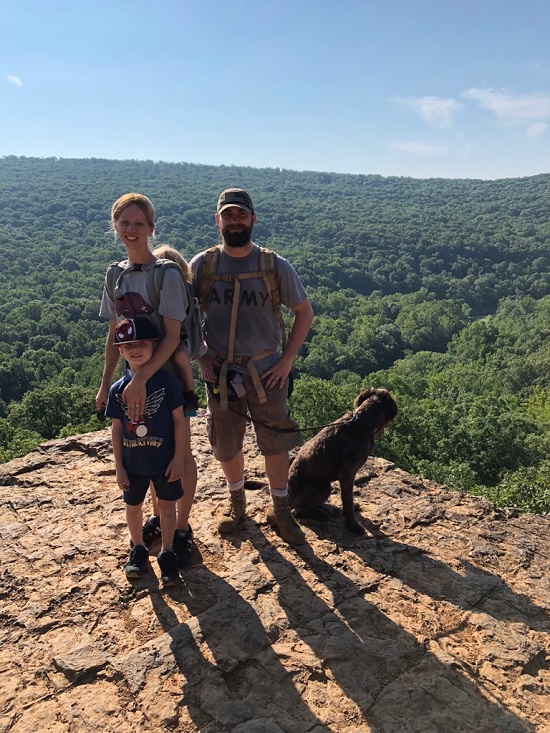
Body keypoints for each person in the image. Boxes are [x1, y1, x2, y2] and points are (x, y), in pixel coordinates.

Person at [190, 188, 314, 545]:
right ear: (218, 220)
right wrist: (201, 355)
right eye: (228, 215)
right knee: (226, 442)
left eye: (241, 215)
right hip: (221, 372)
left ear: (253, 219)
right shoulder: (203, 266)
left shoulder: (274, 266)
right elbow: (185, 316)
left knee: (276, 442)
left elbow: (304, 312)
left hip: (267, 370)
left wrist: (286, 361)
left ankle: (280, 508)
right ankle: (237, 501)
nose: (234, 221)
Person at [95, 193, 196, 567]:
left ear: (151, 228)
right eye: (124, 222)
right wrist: (107, 383)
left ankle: (181, 528)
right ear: (115, 226)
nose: (131, 229)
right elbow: (114, 334)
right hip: (133, 379)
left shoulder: (167, 275)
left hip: (167, 379)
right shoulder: (115, 274)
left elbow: (171, 337)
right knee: (146, 450)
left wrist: (139, 379)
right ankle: (160, 519)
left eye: (139, 223)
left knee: (179, 452)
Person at [106, 315, 185, 586]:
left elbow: (179, 421)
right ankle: (138, 548)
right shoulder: (117, 390)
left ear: (155, 346)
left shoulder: (167, 383)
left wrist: (179, 457)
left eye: (142, 344)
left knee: (167, 507)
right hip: (133, 463)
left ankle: (167, 552)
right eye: (128, 346)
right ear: (120, 351)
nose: (135, 350)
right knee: (133, 506)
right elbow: (117, 429)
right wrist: (119, 466)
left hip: (164, 461)